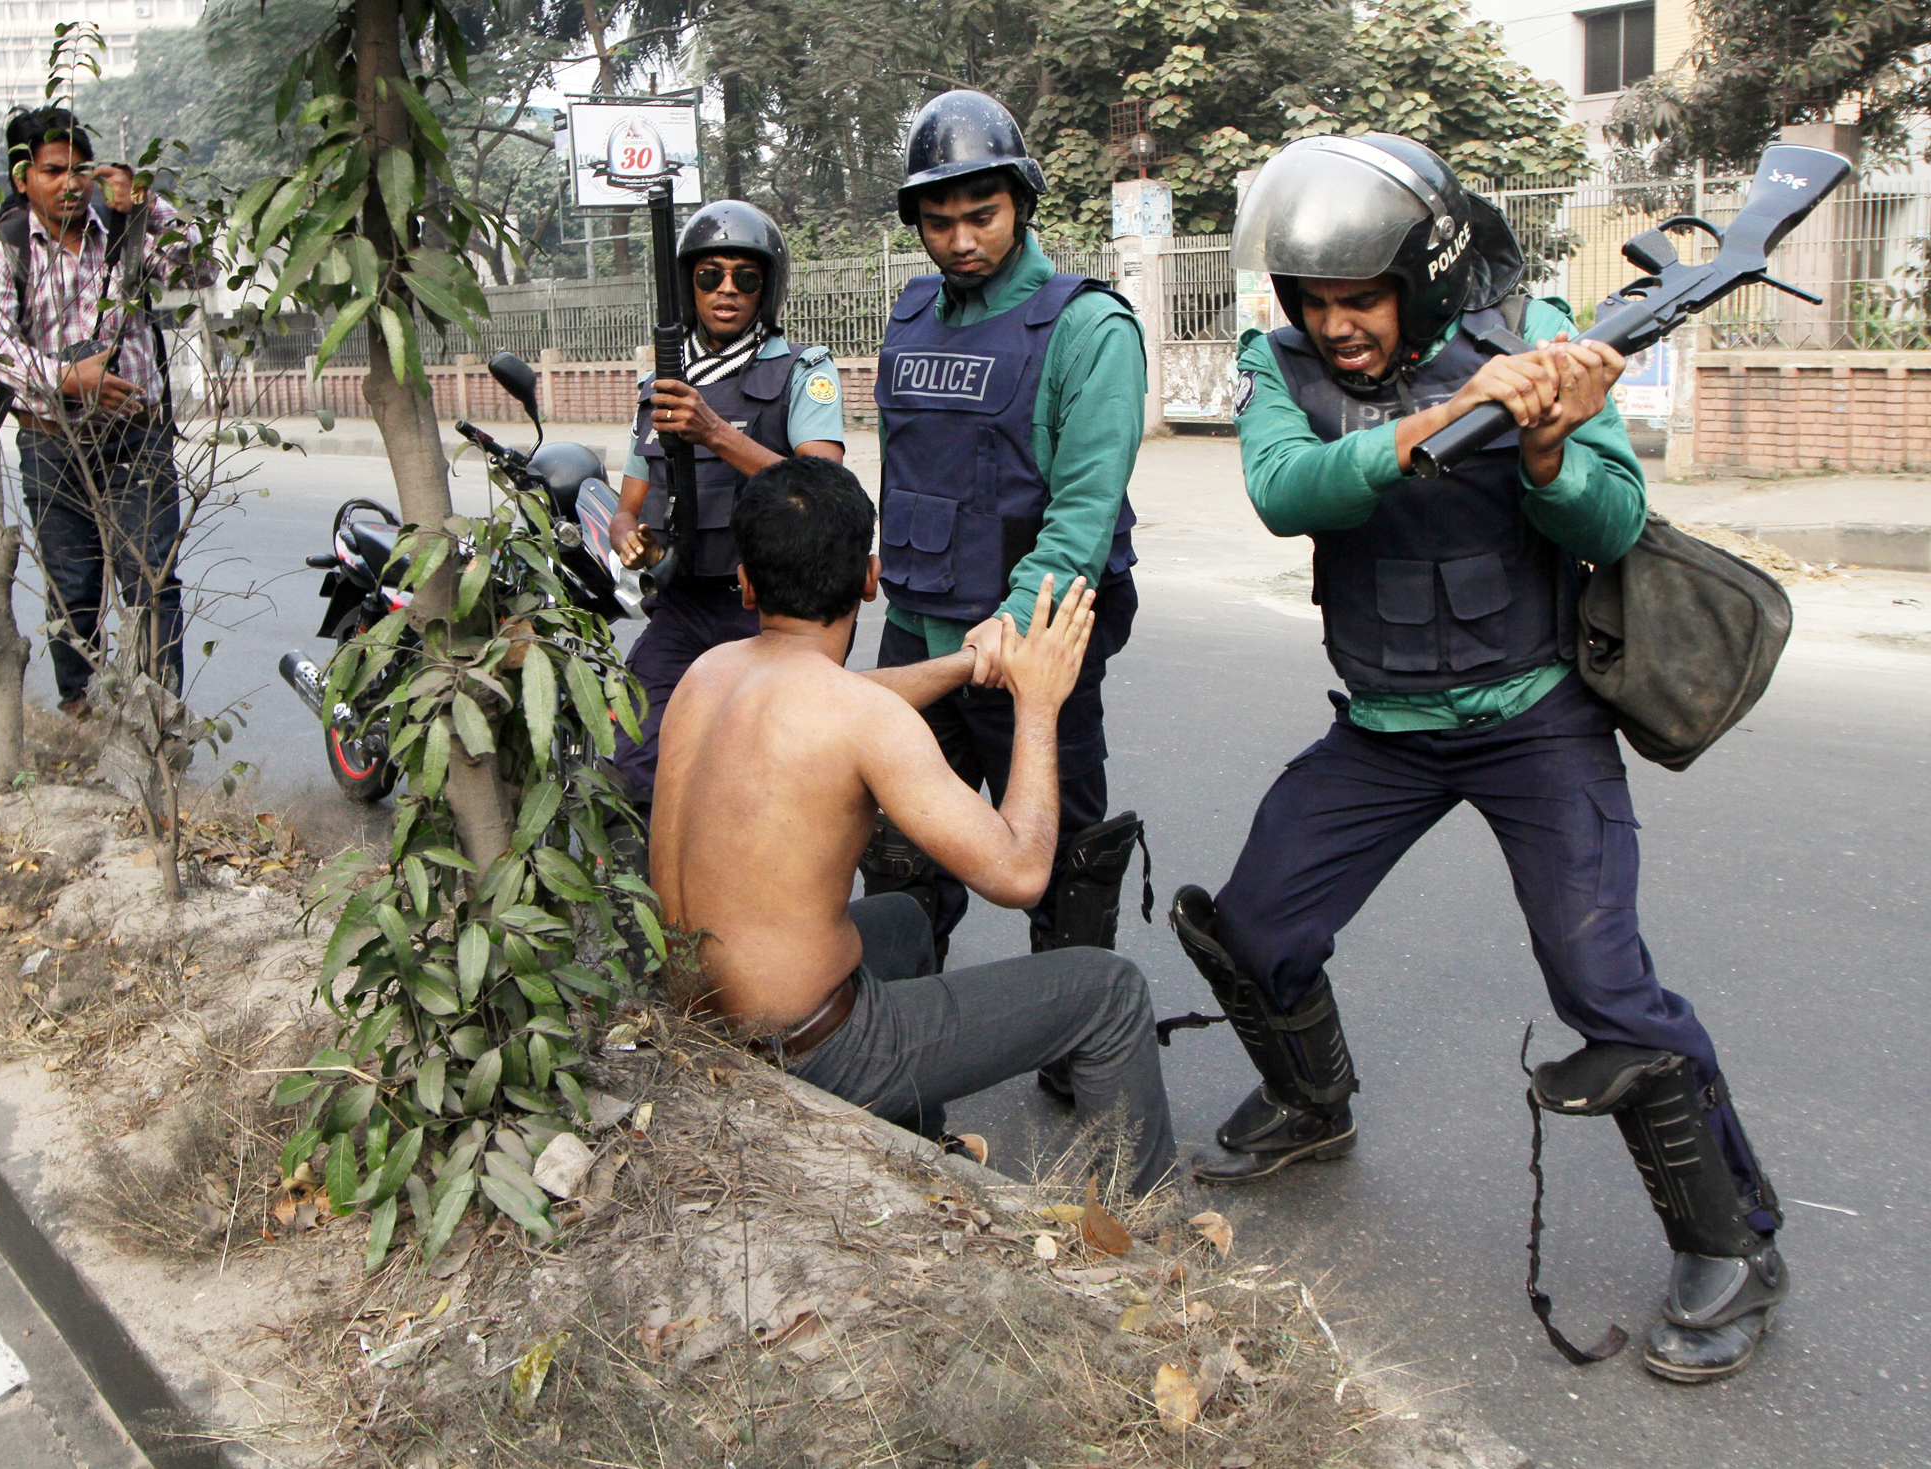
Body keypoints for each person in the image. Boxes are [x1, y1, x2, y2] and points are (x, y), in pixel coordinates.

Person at [1170, 132, 1786, 1382]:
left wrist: (1549, 446)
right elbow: (1285, 491)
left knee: (1604, 987)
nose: (1335, 325)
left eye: (1361, 297)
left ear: (1428, 276)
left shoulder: (1536, 334)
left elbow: (1613, 519)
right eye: (1316, 300)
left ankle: (1732, 1240)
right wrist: (1445, 420)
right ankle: (1311, 1104)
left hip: (1534, 717)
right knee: (1251, 927)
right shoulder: (1277, 362)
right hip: (1384, 728)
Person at [652, 455, 1178, 1192]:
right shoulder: (862, 718)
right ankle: (1154, 1231)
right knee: (1110, 992)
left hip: (696, 1022)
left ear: (745, 582)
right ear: (870, 578)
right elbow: (1022, 874)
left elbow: (838, 692)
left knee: (902, 920)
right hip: (807, 1051)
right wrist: (1039, 703)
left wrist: (964, 663)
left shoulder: (707, 673)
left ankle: (915, 1149)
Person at [864, 90, 1149, 973]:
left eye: (981, 215)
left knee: (1064, 874)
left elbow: (1082, 516)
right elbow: (907, 471)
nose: (959, 240)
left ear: (1021, 203)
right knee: (901, 866)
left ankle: (1079, 1037)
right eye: (938, 221)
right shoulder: (911, 315)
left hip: (1028, 652)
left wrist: (1011, 626)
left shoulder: (1089, 327)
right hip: (916, 637)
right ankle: (901, 1041)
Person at [605, 200, 846, 811]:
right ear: (690, 286)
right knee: (632, 762)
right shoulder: (661, 387)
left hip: (770, 609)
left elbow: (823, 486)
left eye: (746, 277)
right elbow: (629, 503)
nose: (727, 290)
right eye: (710, 275)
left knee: (770, 780)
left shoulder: (803, 370)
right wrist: (628, 533)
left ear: (768, 289)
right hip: (682, 604)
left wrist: (714, 432)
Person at [0, 104, 215, 715]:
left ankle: (157, 725)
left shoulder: (123, 226)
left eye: (80, 169)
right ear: (23, 179)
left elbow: (200, 270)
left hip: (137, 437)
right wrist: (68, 378)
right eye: (53, 171)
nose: (71, 183)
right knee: (72, 587)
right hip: (50, 440)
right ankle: (81, 715)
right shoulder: (8, 247)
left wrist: (147, 204)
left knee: (152, 580)